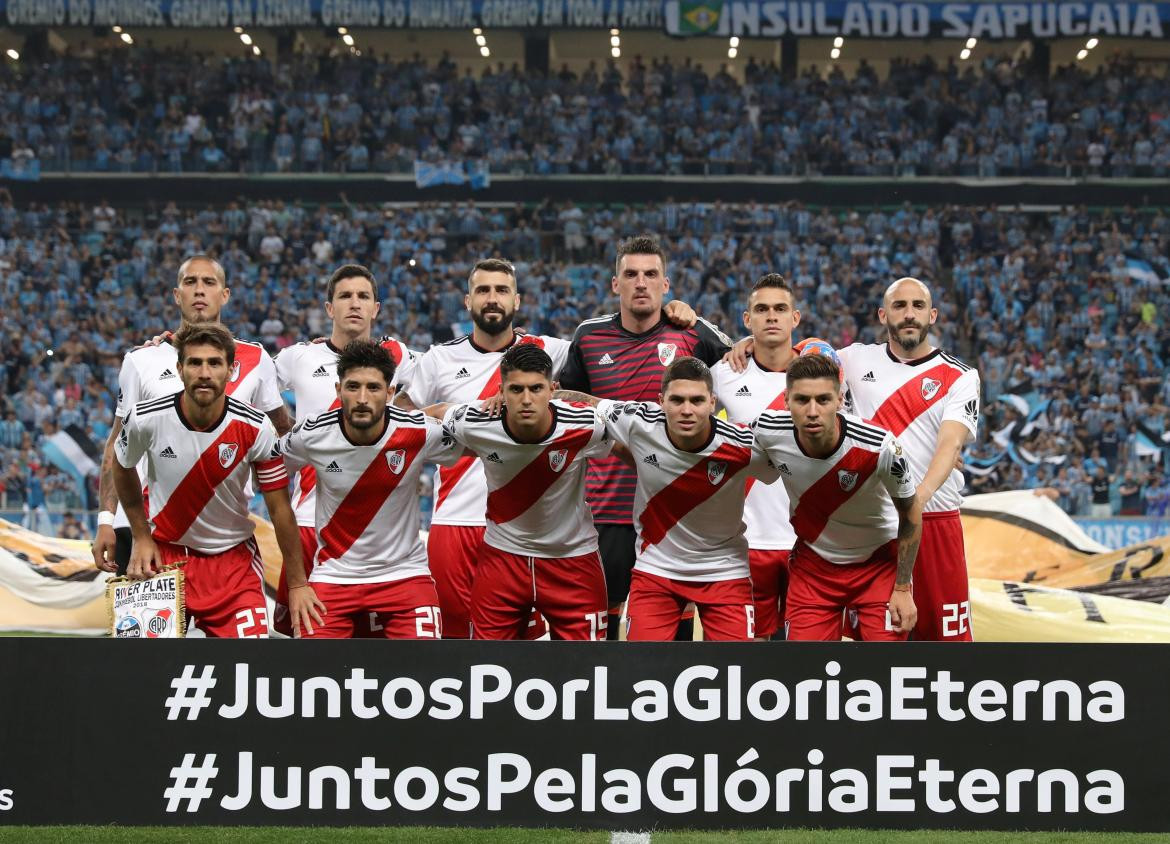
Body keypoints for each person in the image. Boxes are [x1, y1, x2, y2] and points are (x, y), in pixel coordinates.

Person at [397, 256, 695, 638]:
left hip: (538, 534)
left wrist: (671, 312)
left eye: (502, 290)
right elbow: (404, 419)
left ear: (517, 301)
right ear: (467, 300)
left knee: (540, 652)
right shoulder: (439, 358)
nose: (492, 299)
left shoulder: (553, 351)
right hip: (456, 522)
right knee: (462, 646)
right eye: (483, 290)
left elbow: (615, 348)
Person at [558, 235, 732, 640]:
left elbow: (746, 363)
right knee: (602, 627)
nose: (641, 283)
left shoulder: (692, 334)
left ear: (666, 285)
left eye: (651, 274)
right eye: (631, 274)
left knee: (673, 634)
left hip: (673, 512)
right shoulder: (588, 337)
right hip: (607, 508)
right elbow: (567, 406)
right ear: (615, 284)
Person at [93, 255, 291, 577]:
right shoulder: (142, 360)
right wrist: (105, 519)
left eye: (209, 282)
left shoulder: (256, 360)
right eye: (190, 282)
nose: (199, 290)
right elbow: (117, 445)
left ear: (224, 295)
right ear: (176, 295)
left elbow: (284, 434)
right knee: (149, 629)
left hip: (223, 536)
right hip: (147, 530)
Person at [562, 356, 779, 641]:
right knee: (643, 669)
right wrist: (520, 396)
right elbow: (585, 402)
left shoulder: (743, 445)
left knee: (735, 672)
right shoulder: (638, 420)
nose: (687, 410)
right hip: (656, 569)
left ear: (713, 402)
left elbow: (788, 464)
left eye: (697, 401)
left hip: (725, 570)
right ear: (661, 400)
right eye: (677, 400)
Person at [112, 324, 303, 638]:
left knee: (246, 674)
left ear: (231, 370)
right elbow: (121, 466)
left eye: (214, 363)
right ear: (179, 369)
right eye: (194, 363)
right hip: (163, 556)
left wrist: (297, 583)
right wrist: (141, 536)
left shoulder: (256, 428)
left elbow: (280, 509)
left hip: (233, 565)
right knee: (140, 676)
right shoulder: (145, 418)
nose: (204, 372)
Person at [273, 340, 461, 639]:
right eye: (353, 386)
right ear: (338, 390)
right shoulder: (312, 434)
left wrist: (449, 409)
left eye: (373, 388)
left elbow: (484, 444)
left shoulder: (419, 431)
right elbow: (268, 474)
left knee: (426, 676)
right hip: (333, 576)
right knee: (311, 678)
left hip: (406, 576)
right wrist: (297, 583)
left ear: (389, 393)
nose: (362, 398)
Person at [426, 344, 612, 640]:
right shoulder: (476, 420)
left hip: (572, 561)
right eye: (516, 390)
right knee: (486, 670)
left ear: (552, 389)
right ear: (501, 390)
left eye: (536, 389)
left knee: (587, 671)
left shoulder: (585, 425)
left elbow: (634, 442)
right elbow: (431, 415)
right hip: (503, 559)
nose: (526, 400)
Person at [271, 263, 417, 637]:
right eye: (345, 296)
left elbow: (440, 399)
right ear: (329, 308)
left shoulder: (402, 358)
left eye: (363, 296)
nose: (354, 304)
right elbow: (245, 382)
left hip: (379, 531)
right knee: (303, 644)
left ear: (376, 308)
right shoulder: (297, 357)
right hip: (309, 525)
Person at [834, 278, 980, 641]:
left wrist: (916, 500)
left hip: (935, 523)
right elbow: (792, 356)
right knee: (878, 645)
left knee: (945, 643)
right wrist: (742, 345)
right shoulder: (853, 359)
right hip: (873, 526)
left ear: (932, 315)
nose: (909, 314)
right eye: (899, 306)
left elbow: (950, 446)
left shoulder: (960, 376)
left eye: (918, 306)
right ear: (884, 315)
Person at [753, 353, 922, 641]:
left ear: (840, 401)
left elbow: (911, 513)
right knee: (807, 677)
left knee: (886, 674)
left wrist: (903, 588)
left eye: (823, 400)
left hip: (877, 565)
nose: (812, 411)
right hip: (814, 566)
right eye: (802, 400)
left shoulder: (879, 447)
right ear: (785, 401)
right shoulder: (767, 431)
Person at [711, 273, 800, 639]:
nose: (772, 317)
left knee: (809, 655)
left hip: (806, 539)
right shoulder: (722, 375)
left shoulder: (823, 373)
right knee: (749, 658)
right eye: (761, 310)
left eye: (781, 309)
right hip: (746, 540)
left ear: (795, 318)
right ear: (748, 320)